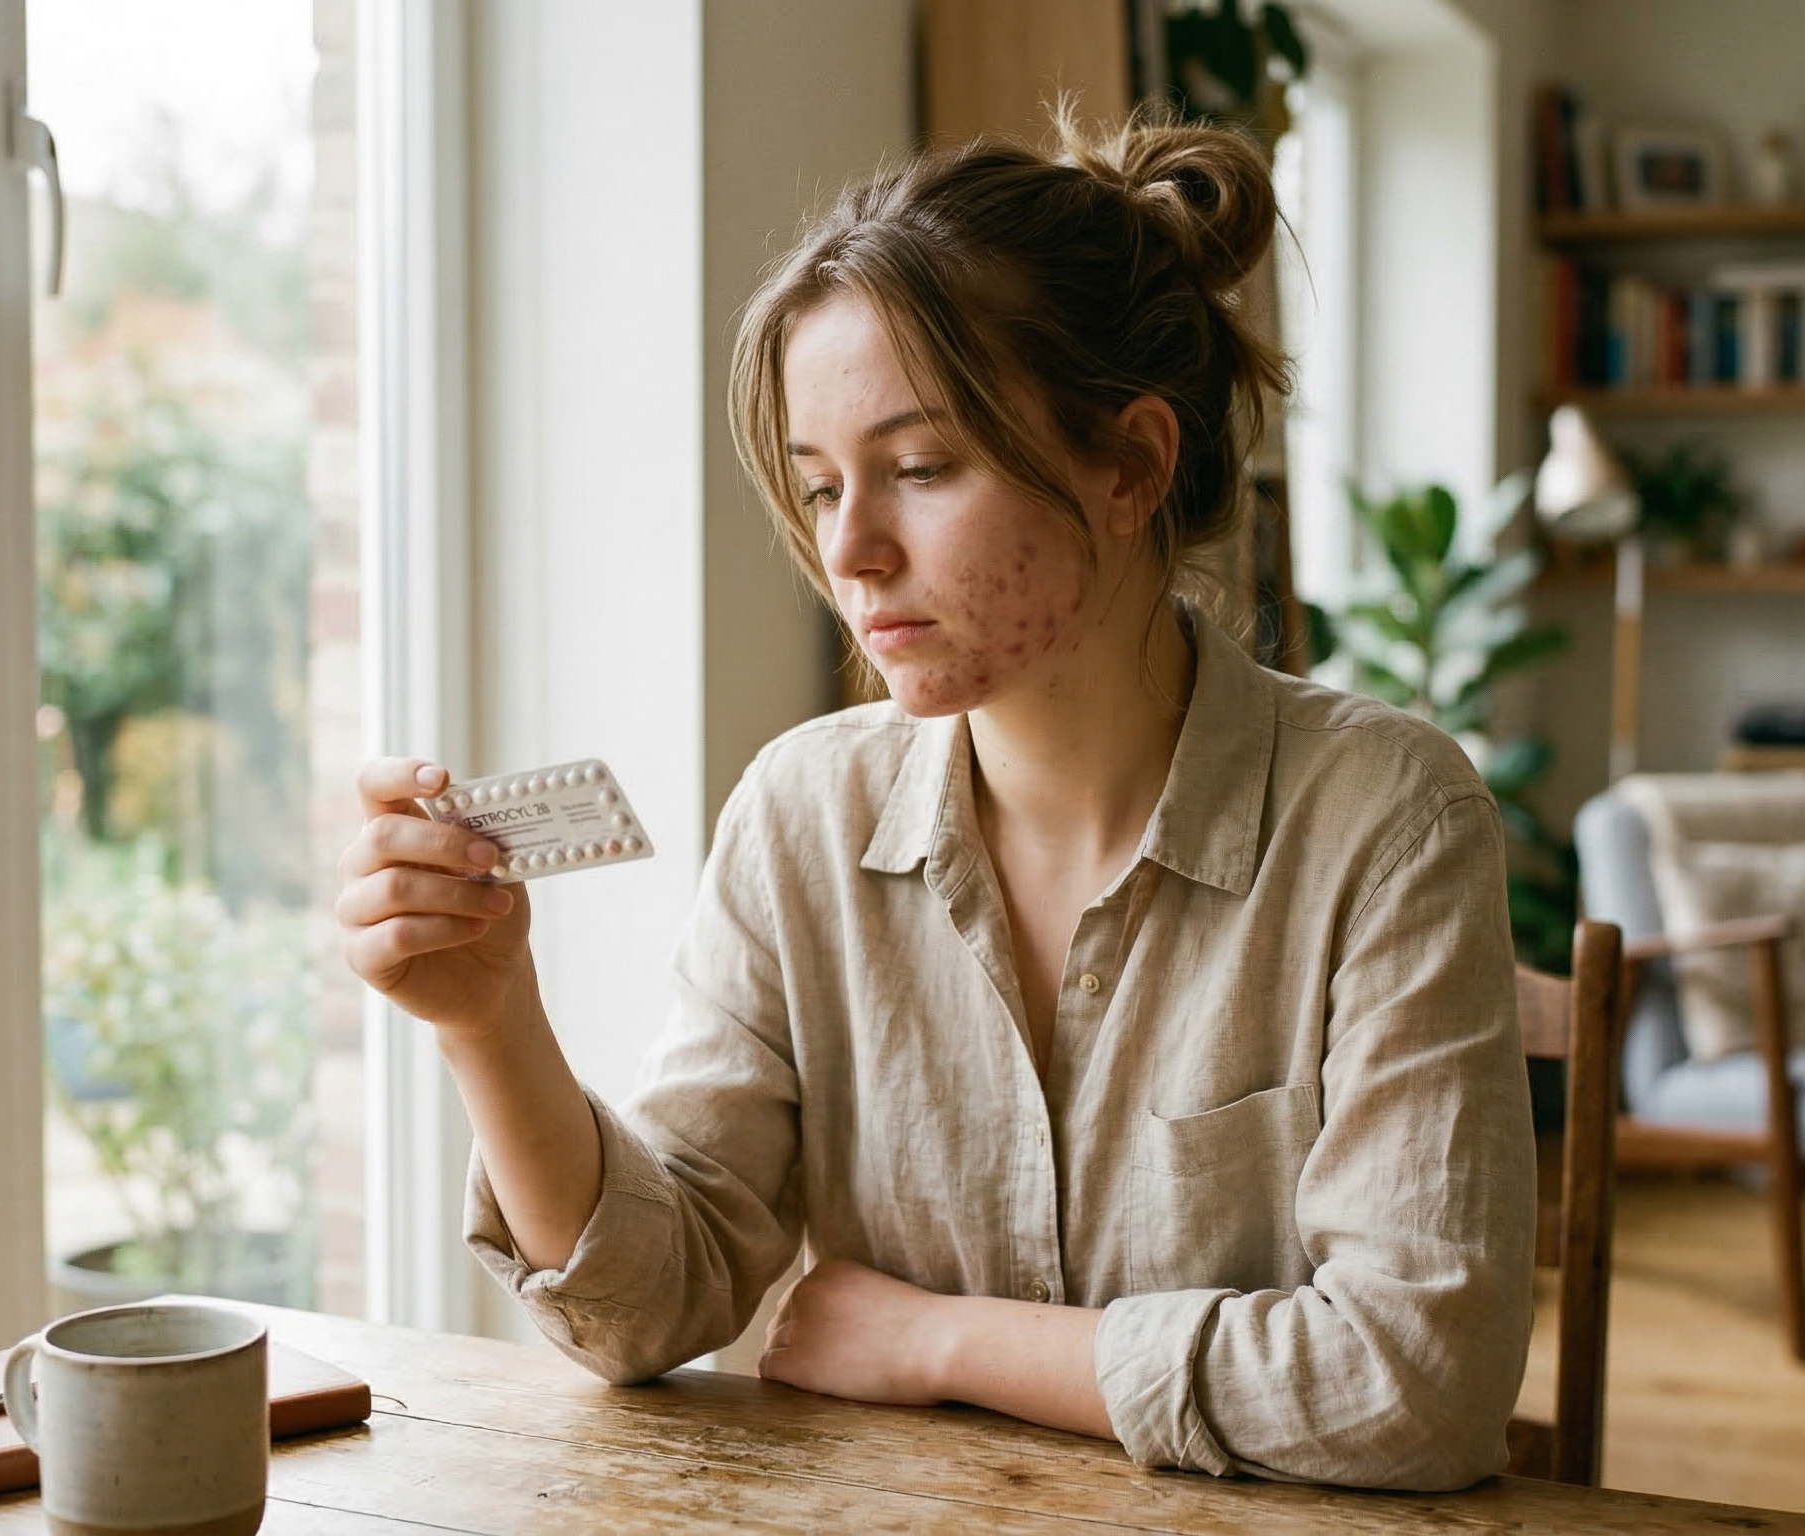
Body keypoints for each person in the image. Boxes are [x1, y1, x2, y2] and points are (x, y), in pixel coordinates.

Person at [335, 110, 1534, 1491]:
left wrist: (938, 1342)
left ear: (1133, 464)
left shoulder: (1387, 820)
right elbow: (652, 1305)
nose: (850, 550)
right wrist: (491, 1025)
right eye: (821, 485)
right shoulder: (803, 812)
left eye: (920, 470)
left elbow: (1416, 1385)